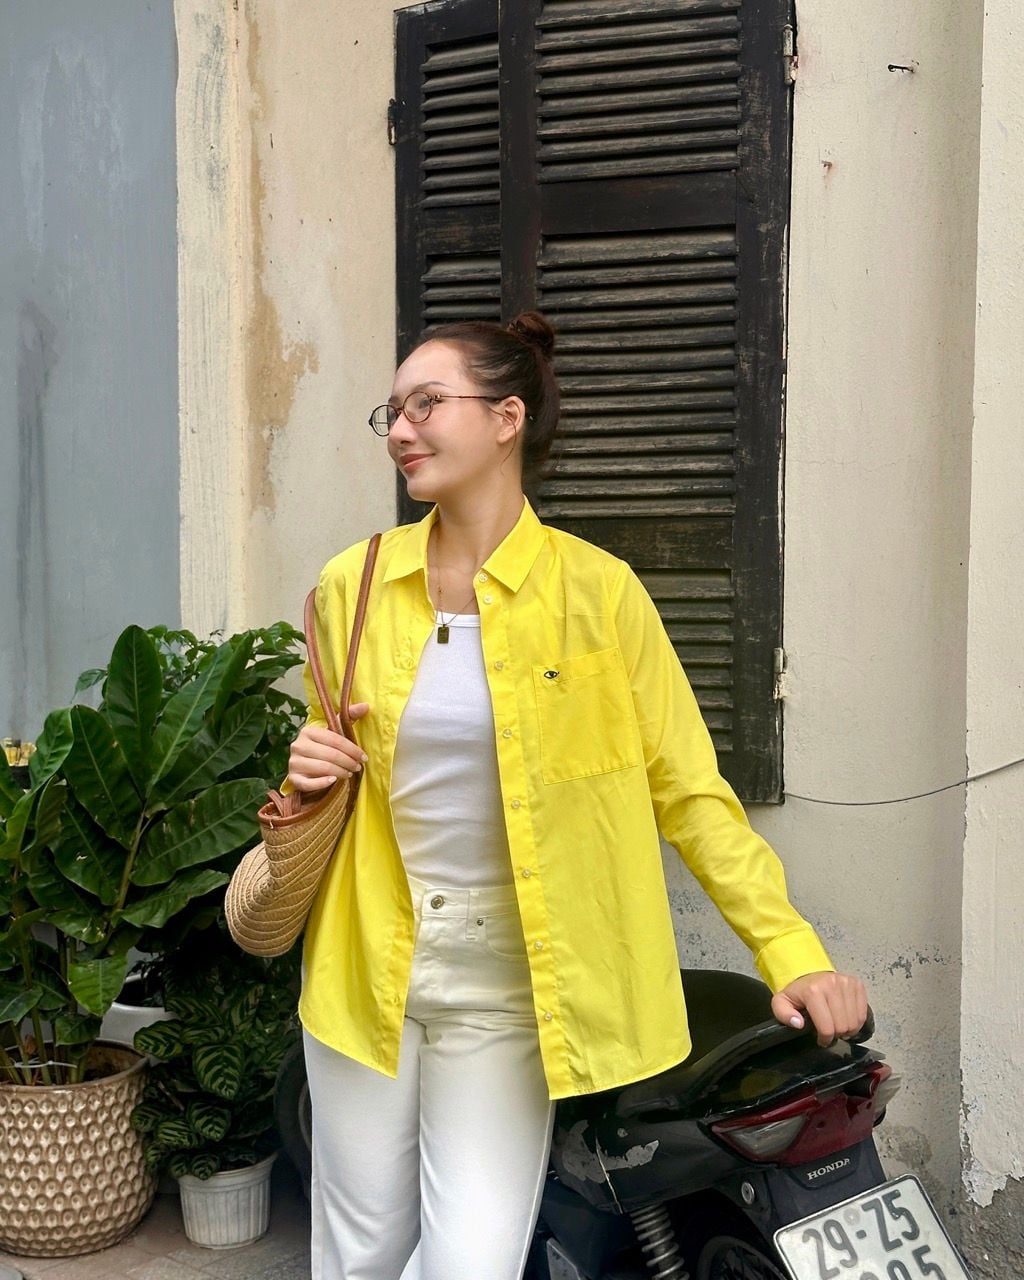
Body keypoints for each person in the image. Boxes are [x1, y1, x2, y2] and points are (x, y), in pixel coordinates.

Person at [285, 311, 867, 1280]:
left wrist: (792, 951)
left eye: (426, 404)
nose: (400, 429)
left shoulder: (601, 595)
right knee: (360, 1253)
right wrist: (306, 765)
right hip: (362, 966)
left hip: (506, 991)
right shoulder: (352, 584)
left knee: (471, 1262)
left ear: (506, 417)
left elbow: (690, 793)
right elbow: (325, 770)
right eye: (392, 411)